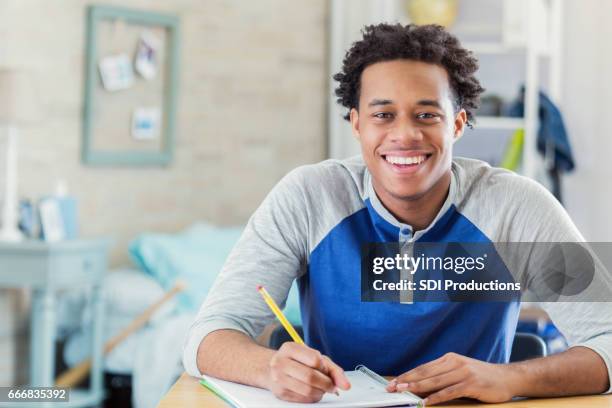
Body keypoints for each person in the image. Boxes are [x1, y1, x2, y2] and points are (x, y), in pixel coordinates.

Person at [183, 23, 611, 405]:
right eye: (383, 115)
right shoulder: (306, 197)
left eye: (427, 114)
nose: (405, 135)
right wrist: (267, 367)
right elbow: (207, 336)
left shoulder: (519, 206)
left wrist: (507, 377)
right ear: (356, 124)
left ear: (457, 125)